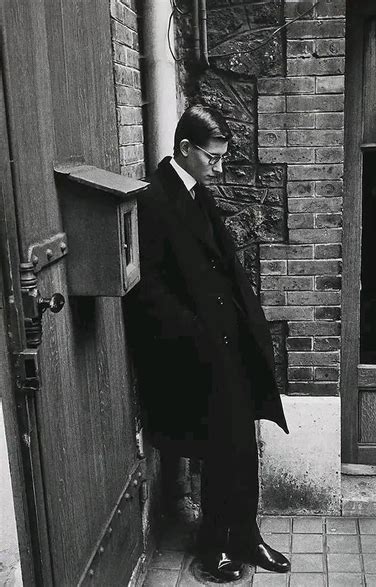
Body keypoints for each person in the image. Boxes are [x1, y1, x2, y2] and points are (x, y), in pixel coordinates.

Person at [125, 104, 290, 581]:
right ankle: (213, 544)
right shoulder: (156, 199)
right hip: (196, 351)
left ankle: (246, 535)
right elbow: (149, 288)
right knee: (219, 446)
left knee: (243, 443)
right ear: (185, 149)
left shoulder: (196, 192)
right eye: (212, 157)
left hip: (227, 342)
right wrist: (196, 337)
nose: (219, 167)